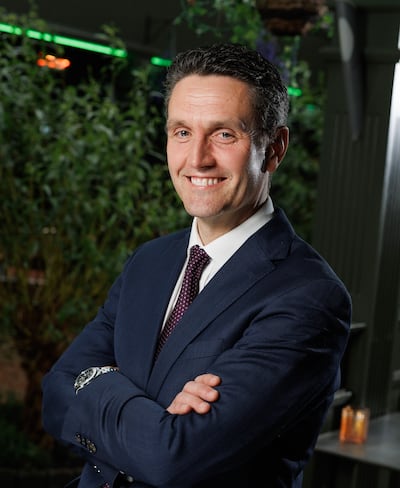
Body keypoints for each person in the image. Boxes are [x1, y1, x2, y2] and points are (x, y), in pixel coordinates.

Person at [41, 42, 352, 488]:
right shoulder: (149, 262)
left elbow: (172, 457)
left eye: (224, 134)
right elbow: (56, 393)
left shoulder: (309, 297)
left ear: (274, 148)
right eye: (182, 132)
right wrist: (155, 414)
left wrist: (98, 383)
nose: (197, 159)